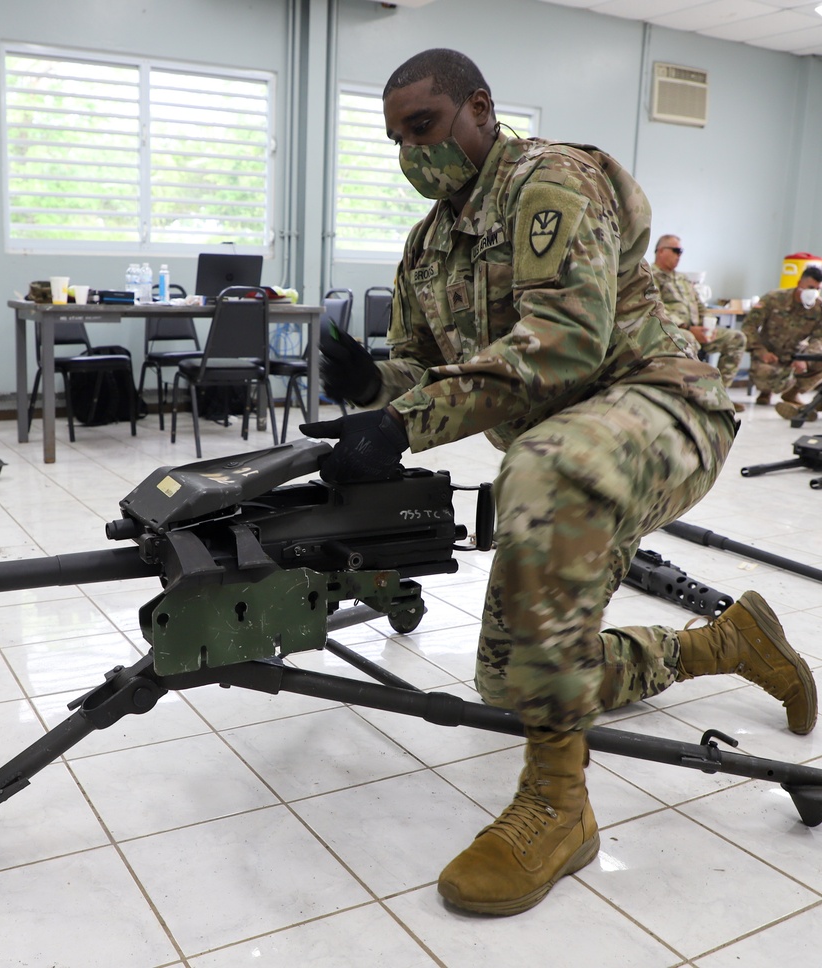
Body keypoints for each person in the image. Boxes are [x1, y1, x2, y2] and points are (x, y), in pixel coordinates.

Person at [301, 48, 816, 917]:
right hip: (569, 449)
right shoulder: (427, 249)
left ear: (479, 107)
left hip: (662, 405)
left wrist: (402, 424)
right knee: (519, 677)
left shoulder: (552, 181)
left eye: (422, 127)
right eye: (394, 139)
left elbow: (564, 343)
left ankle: (558, 805)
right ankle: (724, 645)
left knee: (537, 469)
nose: (410, 153)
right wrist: (368, 392)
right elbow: (420, 375)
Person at [651, 234, 747, 412]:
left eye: (681, 251)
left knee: (736, 338)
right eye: (676, 251)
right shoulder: (650, 276)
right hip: (672, 330)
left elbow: (700, 306)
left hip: (697, 328)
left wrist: (708, 324)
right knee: (688, 340)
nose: (680, 255)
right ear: (661, 251)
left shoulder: (683, 279)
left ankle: (719, 395)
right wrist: (688, 328)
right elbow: (657, 307)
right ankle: (693, 398)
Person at [741, 267, 822, 421]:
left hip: (796, 355)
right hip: (769, 356)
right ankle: (766, 392)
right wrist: (760, 350)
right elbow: (749, 326)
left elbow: (819, 338)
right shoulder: (774, 298)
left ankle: (793, 393)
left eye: (818, 289)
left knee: (820, 360)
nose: (814, 292)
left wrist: (806, 358)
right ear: (799, 283)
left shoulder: (818, 308)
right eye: (810, 287)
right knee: (767, 376)